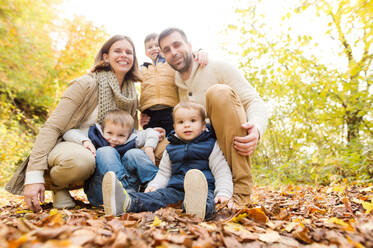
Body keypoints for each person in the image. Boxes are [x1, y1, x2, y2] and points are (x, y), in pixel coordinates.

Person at [5, 35, 157, 212]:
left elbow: (129, 133)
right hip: (71, 145)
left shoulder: (130, 94)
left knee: (134, 155)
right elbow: (52, 127)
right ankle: (58, 187)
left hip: (106, 154)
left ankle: (140, 193)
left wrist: (149, 137)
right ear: (105, 56)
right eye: (118, 51)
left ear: (134, 59)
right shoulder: (86, 84)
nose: (124, 55)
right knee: (82, 161)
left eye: (128, 52)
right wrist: (33, 175)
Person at [152, 27, 268, 206]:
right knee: (156, 148)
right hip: (196, 150)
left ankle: (241, 193)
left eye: (177, 45)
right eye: (166, 50)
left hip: (225, 140)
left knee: (219, 93)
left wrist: (257, 128)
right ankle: (167, 193)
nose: (173, 52)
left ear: (190, 45)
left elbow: (253, 100)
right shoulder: (172, 81)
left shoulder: (218, 67)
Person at [102, 102, 233, 219]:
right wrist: (155, 186)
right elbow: (164, 173)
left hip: (204, 189)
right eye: (181, 122)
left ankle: (197, 208)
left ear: (203, 125)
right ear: (174, 127)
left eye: (193, 121)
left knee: (207, 201)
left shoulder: (210, 145)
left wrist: (223, 192)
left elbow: (221, 171)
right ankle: (126, 202)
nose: (187, 125)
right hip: (174, 189)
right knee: (156, 197)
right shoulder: (171, 148)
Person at [62, 109, 159, 206]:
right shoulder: (95, 135)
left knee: (134, 153)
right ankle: (124, 194)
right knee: (106, 151)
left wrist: (149, 147)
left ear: (129, 135)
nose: (114, 139)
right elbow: (68, 133)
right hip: (101, 191)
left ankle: (156, 188)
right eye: (109, 133)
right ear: (102, 129)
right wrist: (85, 141)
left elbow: (152, 132)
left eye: (121, 135)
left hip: (132, 192)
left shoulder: (132, 139)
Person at [139, 33, 208, 135]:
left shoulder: (169, 64)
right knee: (152, 138)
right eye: (150, 47)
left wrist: (200, 52)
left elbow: (186, 55)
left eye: (157, 46)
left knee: (172, 136)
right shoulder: (143, 69)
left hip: (170, 108)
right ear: (146, 53)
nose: (154, 49)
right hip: (150, 112)